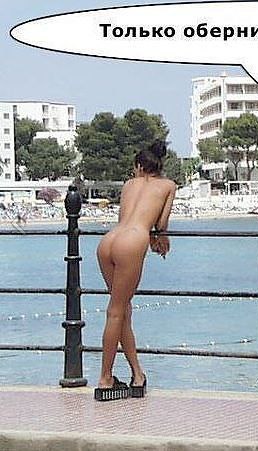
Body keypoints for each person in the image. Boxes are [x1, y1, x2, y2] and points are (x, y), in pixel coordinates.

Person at [95, 141, 176, 401]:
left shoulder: (129, 185)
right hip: (132, 241)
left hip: (109, 241)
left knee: (121, 310)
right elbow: (161, 223)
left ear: (139, 166)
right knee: (116, 311)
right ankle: (105, 379)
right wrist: (160, 239)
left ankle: (137, 375)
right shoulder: (168, 186)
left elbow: (124, 216)